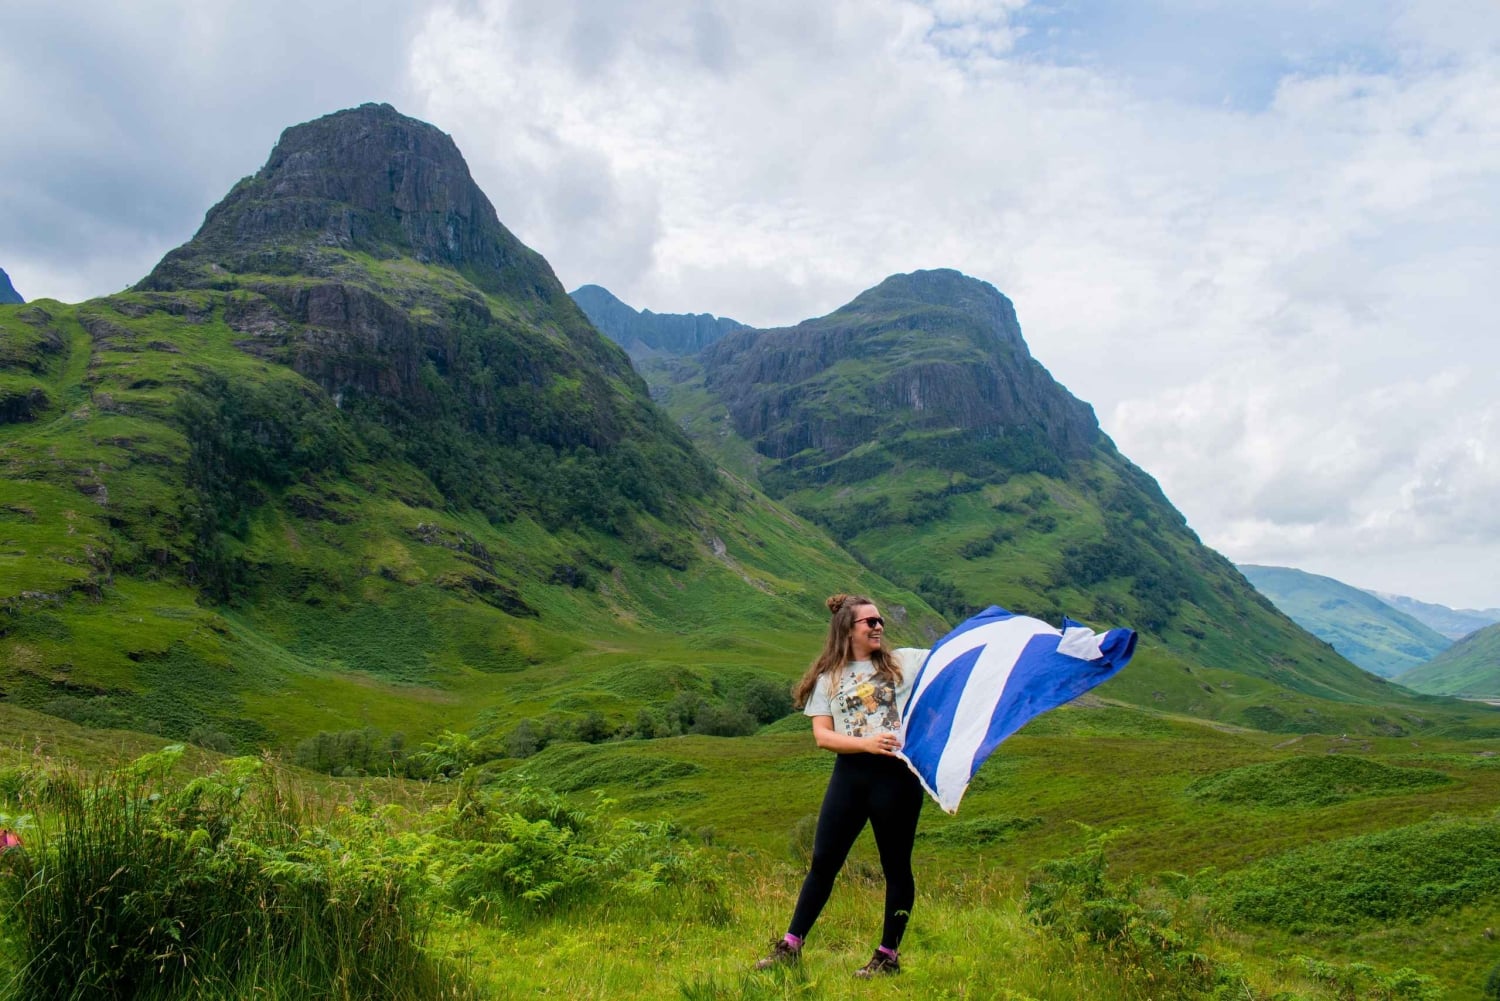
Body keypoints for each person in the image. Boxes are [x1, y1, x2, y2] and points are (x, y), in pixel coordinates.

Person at [755, 593, 928, 978]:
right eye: (870, 622)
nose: (879, 626)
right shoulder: (829, 679)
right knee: (823, 862)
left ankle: (887, 957)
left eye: (881, 620)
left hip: (897, 779)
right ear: (848, 630)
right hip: (850, 777)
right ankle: (790, 947)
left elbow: (953, 658)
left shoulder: (905, 662)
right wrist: (866, 744)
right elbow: (823, 736)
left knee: (896, 866)